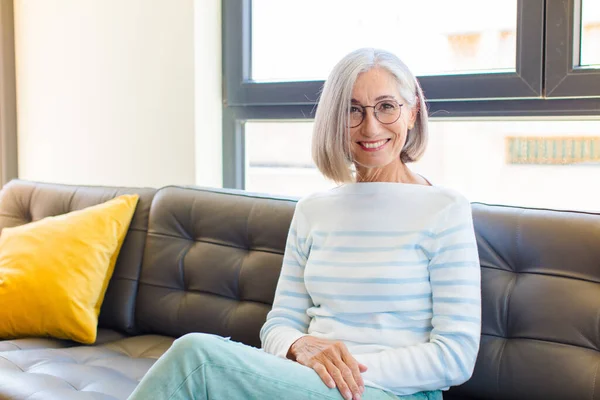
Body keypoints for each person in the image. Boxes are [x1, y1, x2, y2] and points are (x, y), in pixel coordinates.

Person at [128, 48, 481, 400]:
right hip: (306, 384)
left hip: (393, 393)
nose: (370, 126)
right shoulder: (313, 210)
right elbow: (277, 328)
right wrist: (300, 346)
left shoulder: (445, 209)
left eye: (387, 106)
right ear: (333, 121)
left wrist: (340, 370)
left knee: (198, 361)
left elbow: (455, 356)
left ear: (412, 112)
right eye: (352, 110)